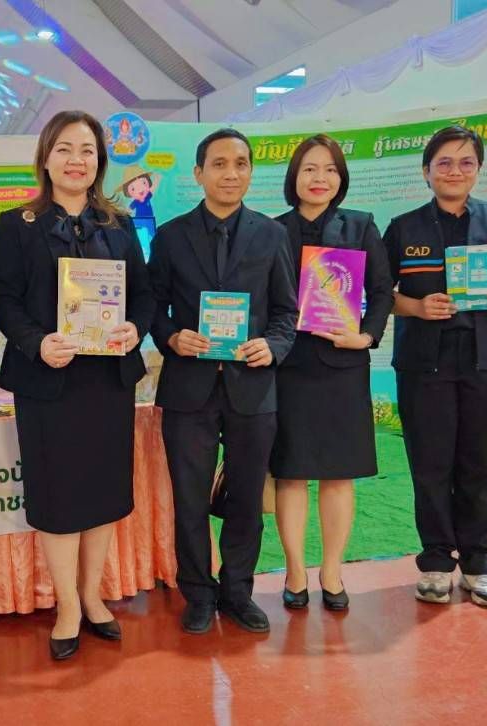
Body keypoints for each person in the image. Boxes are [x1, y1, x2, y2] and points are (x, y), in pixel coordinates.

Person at [0, 110, 155, 660]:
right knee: (58, 495)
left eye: (86, 150)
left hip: (107, 381)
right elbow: (4, 298)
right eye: (64, 149)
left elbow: (144, 293)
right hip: (47, 381)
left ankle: (92, 595)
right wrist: (36, 343)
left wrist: (135, 328)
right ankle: (65, 606)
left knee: (103, 491)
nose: (76, 160)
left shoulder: (120, 223)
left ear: (99, 161)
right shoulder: (18, 224)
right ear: (45, 157)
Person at [384, 125, 487, 608]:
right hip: (424, 361)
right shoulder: (403, 227)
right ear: (426, 171)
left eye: (466, 162)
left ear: (478, 170)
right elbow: (379, 294)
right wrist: (416, 307)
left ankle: (479, 564)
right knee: (430, 463)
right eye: (444, 162)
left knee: (483, 462)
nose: (455, 171)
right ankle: (436, 561)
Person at [148, 128, 297, 635]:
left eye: (240, 163)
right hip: (188, 388)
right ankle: (197, 592)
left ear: (250, 172)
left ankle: (237, 592)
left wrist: (272, 346)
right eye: (218, 164)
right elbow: (153, 307)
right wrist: (173, 337)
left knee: (246, 498)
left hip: (252, 387)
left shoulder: (272, 235)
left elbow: (286, 312)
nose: (230, 173)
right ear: (199, 173)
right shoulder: (171, 236)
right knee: (190, 499)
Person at [270, 135, 393, 611]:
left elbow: (381, 291)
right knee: (291, 474)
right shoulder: (272, 229)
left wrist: (367, 335)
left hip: (343, 366)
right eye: (309, 169)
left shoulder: (360, 225)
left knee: (339, 476)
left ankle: (333, 572)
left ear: (341, 178)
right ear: (294, 177)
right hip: (288, 368)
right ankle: (295, 572)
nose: (319, 178)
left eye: (330, 170)